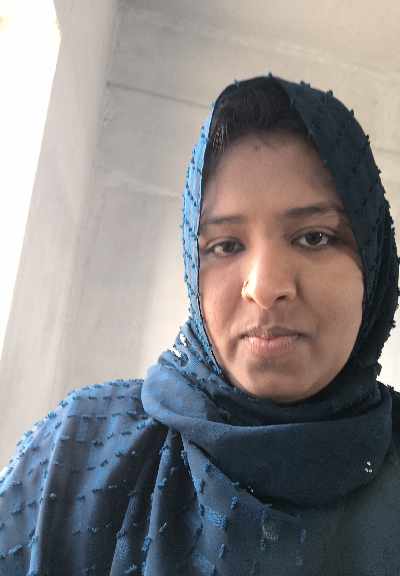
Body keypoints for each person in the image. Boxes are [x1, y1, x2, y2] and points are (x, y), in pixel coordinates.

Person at [0, 73, 399, 575]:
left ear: (373, 261)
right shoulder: (76, 449)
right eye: (226, 245)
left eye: (314, 237)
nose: (264, 287)